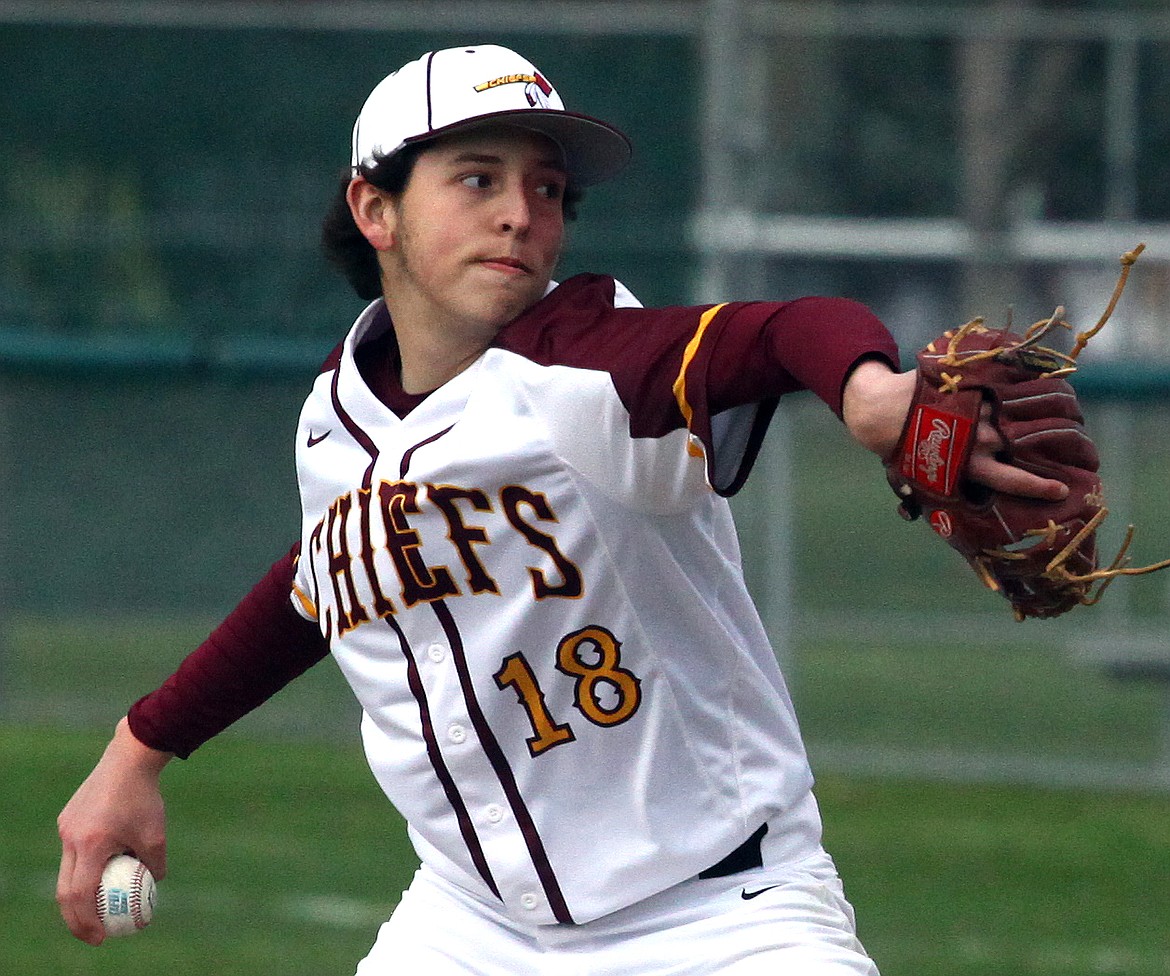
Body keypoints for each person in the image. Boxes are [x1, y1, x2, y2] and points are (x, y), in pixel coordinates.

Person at [56, 44, 1067, 974]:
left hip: (721, 917)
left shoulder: (584, 363)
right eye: (477, 179)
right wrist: (138, 749)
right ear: (375, 209)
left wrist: (866, 388)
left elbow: (779, 329)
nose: (522, 214)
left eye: (548, 189)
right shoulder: (338, 413)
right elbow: (325, 579)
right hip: (468, 922)